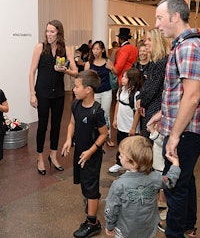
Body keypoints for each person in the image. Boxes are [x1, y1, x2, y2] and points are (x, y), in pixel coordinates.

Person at [147, 0, 200, 238]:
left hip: (185, 131)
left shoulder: (189, 47)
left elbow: (193, 95)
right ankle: (187, 226)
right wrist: (162, 113)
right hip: (183, 127)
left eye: (160, 17)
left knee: (173, 183)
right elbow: (181, 90)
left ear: (175, 17)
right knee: (185, 179)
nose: (157, 23)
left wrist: (173, 135)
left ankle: (175, 232)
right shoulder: (186, 44)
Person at [61, 69, 108, 238]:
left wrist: (90, 151)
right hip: (80, 153)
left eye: (77, 86)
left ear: (88, 89)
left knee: (91, 188)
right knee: (85, 184)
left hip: (91, 155)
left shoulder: (97, 112)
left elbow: (104, 134)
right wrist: (68, 140)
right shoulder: (75, 104)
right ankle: (91, 201)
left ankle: (92, 223)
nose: (74, 89)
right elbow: (72, 123)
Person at [104, 136, 181, 238]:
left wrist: (109, 226)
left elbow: (111, 209)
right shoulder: (155, 178)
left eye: (121, 155)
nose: (119, 157)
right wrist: (175, 164)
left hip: (125, 230)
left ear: (133, 162)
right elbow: (170, 181)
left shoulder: (119, 184)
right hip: (148, 228)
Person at [29, 19, 78, 175]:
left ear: (59, 33)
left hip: (58, 93)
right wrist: (32, 93)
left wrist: (65, 71)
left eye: (52, 31)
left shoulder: (66, 49)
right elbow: (32, 72)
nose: (48, 34)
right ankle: (40, 158)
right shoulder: (40, 47)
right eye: (47, 31)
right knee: (42, 126)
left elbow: (75, 71)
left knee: (56, 126)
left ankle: (53, 156)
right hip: (42, 93)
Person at [136, 28, 170, 139]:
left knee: (151, 144)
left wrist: (142, 103)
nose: (146, 42)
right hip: (150, 105)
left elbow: (153, 89)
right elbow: (147, 85)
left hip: (155, 108)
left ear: (157, 41)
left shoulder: (160, 63)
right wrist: (140, 98)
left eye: (149, 40)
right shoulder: (155, 61)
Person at [109, 68, 143, 173]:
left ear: (132, 80)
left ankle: (131, 165)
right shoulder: (121, 90)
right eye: (123, 76)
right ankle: (119, 163)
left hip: (130, 126)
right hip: (121, 124)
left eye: (125, 77)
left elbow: (137, 112)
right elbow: (118, 104)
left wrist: (133, 128)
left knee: (131, 147)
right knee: (121, 144)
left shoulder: (136, 94)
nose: (122, 79)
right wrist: (115, 119)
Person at [85, 40, 115, 147]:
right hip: (94, 93)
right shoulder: (89, 64)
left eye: (97, 49)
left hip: (106, 91)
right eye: (94, 49)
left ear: (102, 50)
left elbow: (115, 73)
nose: (95, 51)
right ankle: (94, 136)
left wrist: (111, 68)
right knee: (93, 114)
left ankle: (108, 137)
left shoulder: (107, 62)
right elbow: (85, 78)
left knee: (106, 114)